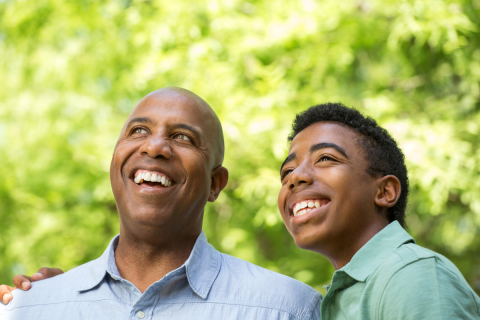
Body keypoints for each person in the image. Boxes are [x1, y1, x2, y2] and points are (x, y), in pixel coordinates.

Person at [0, 87, 321, 319]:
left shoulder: (288, 309)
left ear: (215, 184)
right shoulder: (29, 309)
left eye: (183, 137)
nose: (154, 147)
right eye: (138, 130)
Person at [277, 103, 480, 319]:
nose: (294, 177)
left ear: (384, 192)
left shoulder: (411, 274)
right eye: (287, 171)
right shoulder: (349, 295)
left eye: (326, 158)